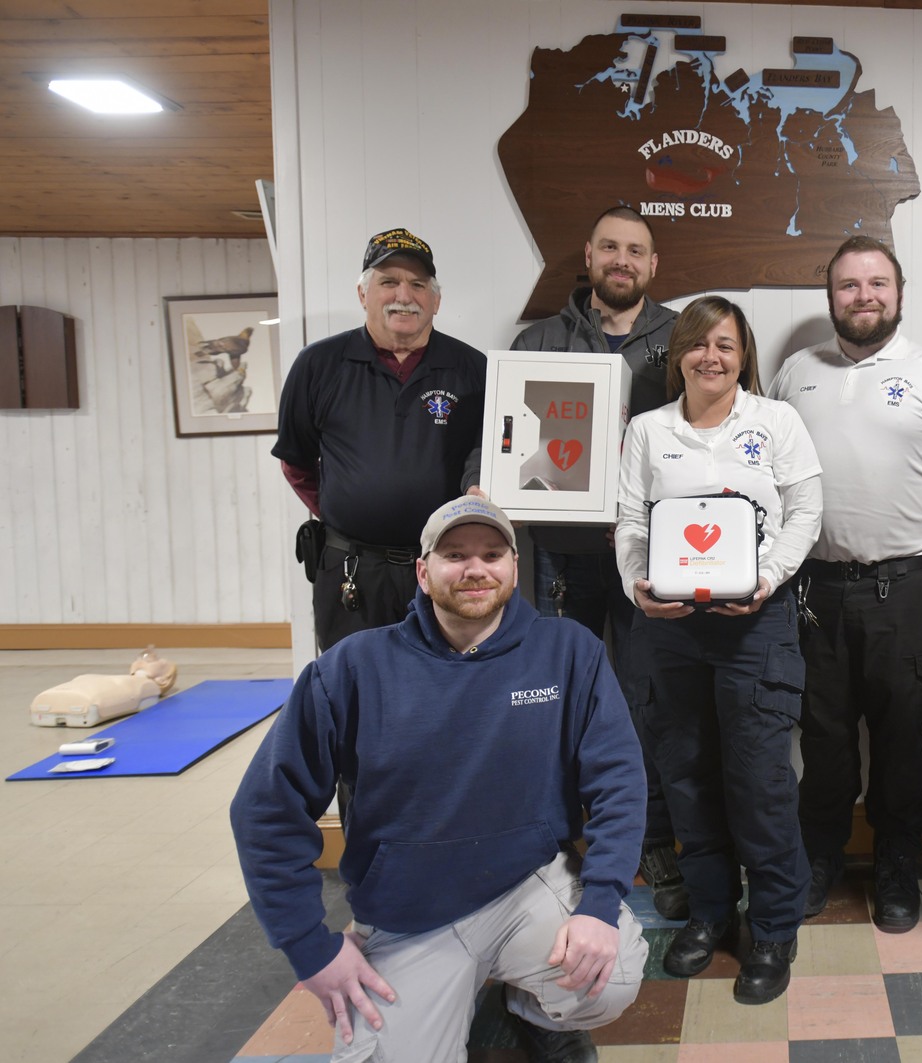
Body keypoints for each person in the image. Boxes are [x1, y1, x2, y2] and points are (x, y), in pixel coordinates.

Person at [231, 496, 647, 1063]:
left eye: (492, 554)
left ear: (514, 568)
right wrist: (311, 949)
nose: (475, 569)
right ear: (424, 573)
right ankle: (454, 993)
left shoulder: (569, 651)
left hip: (525, 885)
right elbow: (265, 810)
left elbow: (618, 780)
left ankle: (535, 1014)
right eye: (455, 555)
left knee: (613, 972)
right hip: (409, 918)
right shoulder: (350, 669)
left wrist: (599, 906)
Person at [467, 206, 686, 919]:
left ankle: (651, 837)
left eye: (637, 251)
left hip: (655, 555)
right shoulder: (538, 341)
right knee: (561, 699)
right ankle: (564, 843)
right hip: (563, 553)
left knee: (647, 698)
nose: (623, 260)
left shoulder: (683, 337)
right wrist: (484, 480)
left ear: (653, 266)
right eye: (611, 248)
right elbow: (497, 436)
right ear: (588, 256)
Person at [767, 237, 922, 933]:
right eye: (849, 285)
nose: (864, 295)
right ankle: (820, 855)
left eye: (877, 283)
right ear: (829, 295)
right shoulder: (795, 372)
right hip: (814, 591)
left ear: (898, 293)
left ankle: (897, 860)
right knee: (824, 739)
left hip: (910, 587)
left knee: (899, 740)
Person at [615, 296, 822, 1005]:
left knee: (760, 781)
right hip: (668, 629)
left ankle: (771, 926)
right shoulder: (648, 430)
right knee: (687, 775)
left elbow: (805, 510)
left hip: (755, 626)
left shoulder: (777, 422)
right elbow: (631, 521)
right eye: (699, 343)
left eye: (726, 345)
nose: (712, 356)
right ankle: (709, 911)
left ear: (744, 355)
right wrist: (637, 586)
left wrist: (766, 578)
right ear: (679, 352)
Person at [275, 228, 487, 652]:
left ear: (436, 300)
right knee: (352, 692)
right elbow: (296, 463)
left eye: (418, 285)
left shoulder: (473, 368)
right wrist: (350, 510)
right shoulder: (317, 364)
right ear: (363, 294)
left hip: (443, 567)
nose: (403, 295)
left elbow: (484, 454)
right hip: (351, 570)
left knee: (447, 688)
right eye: (388, 281)